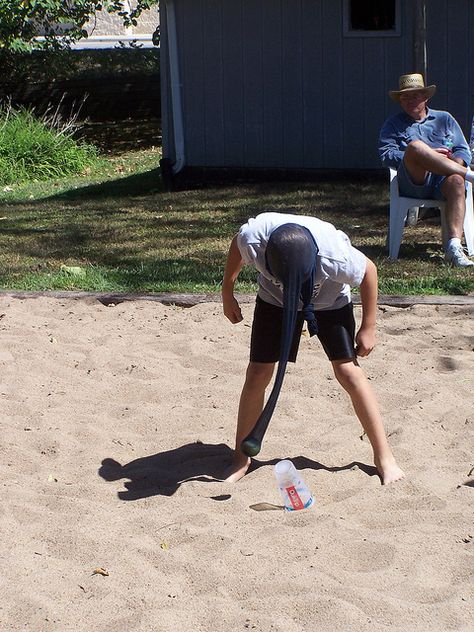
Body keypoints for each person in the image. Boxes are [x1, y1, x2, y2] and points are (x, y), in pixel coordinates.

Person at [221, 211, 405, 486]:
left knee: (348, 372)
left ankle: (385, 458)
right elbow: (237, 243)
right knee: (258, 373)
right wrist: (227, 291)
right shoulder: (254, 239)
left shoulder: (334, 255)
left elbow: (369, 271)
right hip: (274, 301)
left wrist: (369, 326)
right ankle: (241, 458)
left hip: (329, 303)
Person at [379, 72, 474, 267]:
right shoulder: (393, 124)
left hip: (443, 181)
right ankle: (471, 176)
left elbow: (463, 150)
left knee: (457, 181)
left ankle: (454, 247)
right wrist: (424, 155)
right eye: (404, 97)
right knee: (415, 147)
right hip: (414, 181)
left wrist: (453, 160)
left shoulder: (445, 119)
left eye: (414, 96)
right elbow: (386, 154)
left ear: (425, 97)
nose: (409, 101)